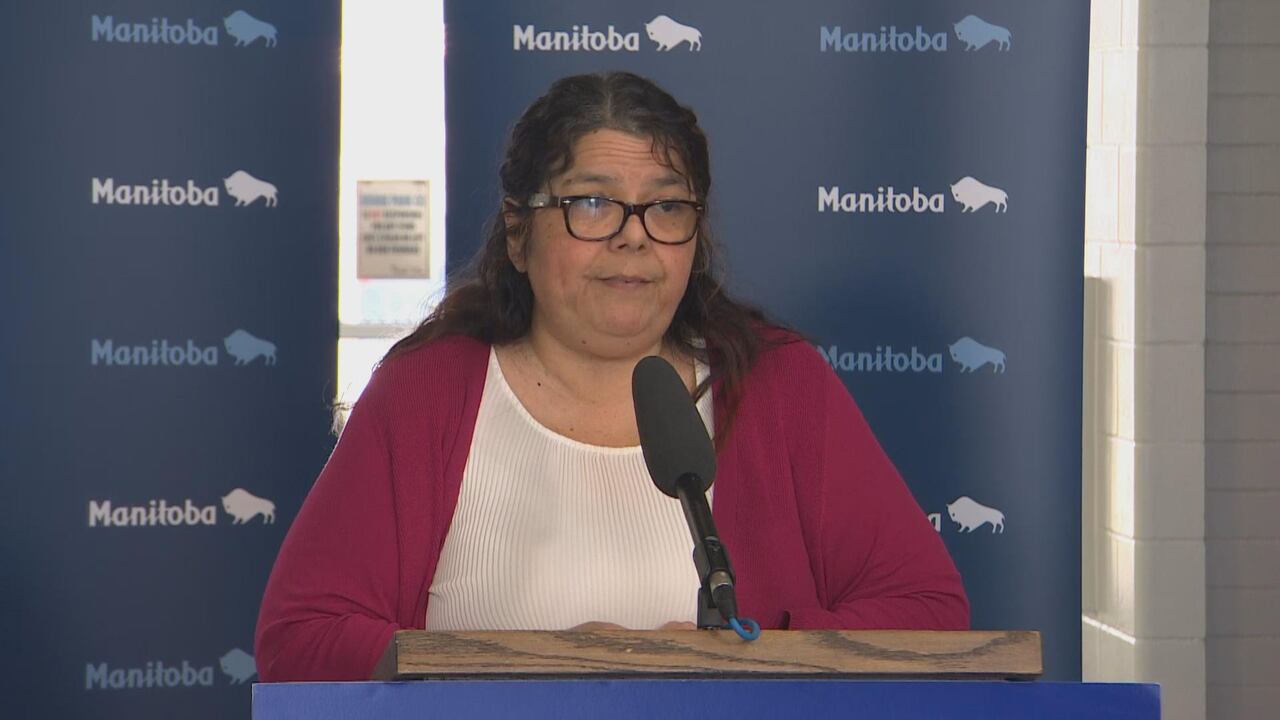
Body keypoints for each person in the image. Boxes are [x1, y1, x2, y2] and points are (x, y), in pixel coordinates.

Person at [255, 71, 968, 682]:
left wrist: (736, 661)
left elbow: (927, 616)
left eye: (665, 206)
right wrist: (539, 670)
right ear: (518, 233)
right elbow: (303, 637)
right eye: (591, 203)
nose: (633, 235)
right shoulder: (428, 394)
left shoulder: (780, 386)